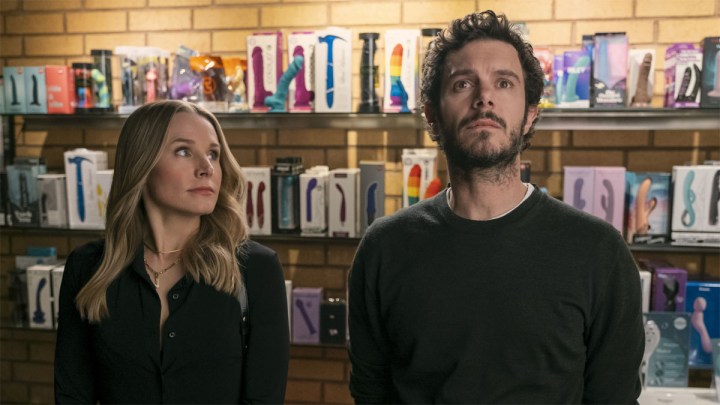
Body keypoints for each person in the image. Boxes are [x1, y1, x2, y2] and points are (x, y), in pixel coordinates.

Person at [348, 10, 644, 403]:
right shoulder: (384, 248)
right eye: (463, 83)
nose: (483, 98)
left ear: (530, 114)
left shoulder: (598, 252)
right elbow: (371, 392)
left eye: (504, 83)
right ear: (432, 115)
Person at [54, 100, 289, 403]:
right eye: (183, 151)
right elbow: (72, 396)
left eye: (213, 154)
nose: (206, 168)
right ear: (142, 163)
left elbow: (264, 399)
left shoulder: (256, 269)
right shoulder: (87, 268)